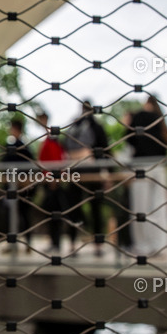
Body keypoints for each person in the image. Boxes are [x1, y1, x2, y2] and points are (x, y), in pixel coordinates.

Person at [124, 96, 167, 256]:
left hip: (142, 165)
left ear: (146, 103)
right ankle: (160, 245)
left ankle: (142, 246)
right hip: (160, 165)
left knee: (140, 208)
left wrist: (127, 123)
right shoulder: (161, 119)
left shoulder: (138, 116)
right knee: (159, 207)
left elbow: (129, 140)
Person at [62, 101, 110, 254]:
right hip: (84, 170)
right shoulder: (80, 125)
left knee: (85, 208)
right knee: (79, 208)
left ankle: (81, 243)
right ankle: (80, 243)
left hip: (82, 170)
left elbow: (102, 148)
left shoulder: (77, 125)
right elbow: (104, 148)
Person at [0, 116, 35, 252]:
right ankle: (16, 243)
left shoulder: (21, 147)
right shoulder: (20, 147)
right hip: (14, 188)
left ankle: (27, 244)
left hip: (21, 188)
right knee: (13, 216)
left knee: (22, 216)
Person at [37, 111, 70, 253]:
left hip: (53, 181)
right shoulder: (46, 138)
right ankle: (54, 242)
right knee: (50, 212)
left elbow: (57, 157)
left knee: (54, 213)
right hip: (48, 180)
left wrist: (54, 178)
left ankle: (56, 243)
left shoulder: (52, 137)